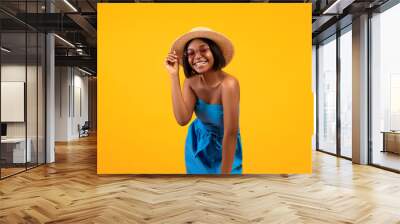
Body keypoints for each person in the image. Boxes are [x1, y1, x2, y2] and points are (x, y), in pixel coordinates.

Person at [165, 27, 242, 174]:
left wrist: (224, 176)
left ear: (214, 51)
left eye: (203, 50)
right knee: (200, 193)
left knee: (224, 193)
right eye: (191, 53)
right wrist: (174, 76)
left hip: (226, 145)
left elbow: (231, 132)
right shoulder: (190, 82)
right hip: (198, 144)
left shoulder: (229, 84)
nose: (197, 56)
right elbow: (182, 119)